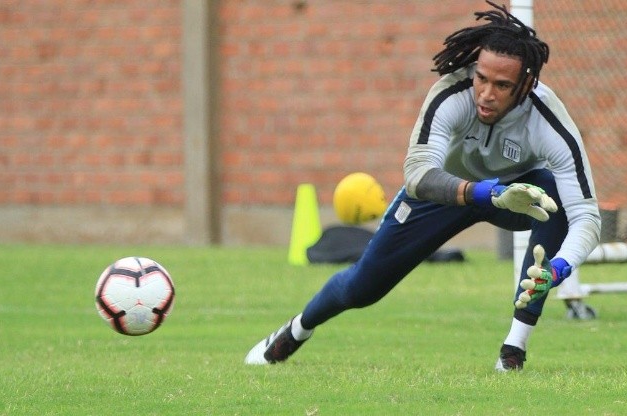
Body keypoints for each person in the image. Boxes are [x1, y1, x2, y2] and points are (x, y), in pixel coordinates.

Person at [245, 1, 601, 371]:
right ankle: (296, 329)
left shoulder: (549, 120)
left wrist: (558, 269)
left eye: (502, 85)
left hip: (516, 197)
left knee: (553, 196)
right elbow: (417, 175)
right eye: (481, 77)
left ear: (526, 85)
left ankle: (513, 349)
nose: (485, 93)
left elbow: (586, 217)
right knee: (362, 288)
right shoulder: (452, 92)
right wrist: (489, 193)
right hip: (445, 191)